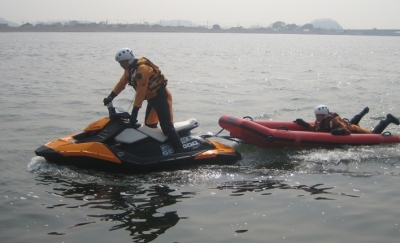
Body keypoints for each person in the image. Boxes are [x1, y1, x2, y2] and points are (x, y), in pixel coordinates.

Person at [103, 48, 183, 153]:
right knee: (149, 126)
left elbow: (141, 90)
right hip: (152, 99)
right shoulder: (130, 71)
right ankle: (157, 148)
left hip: (162, 97)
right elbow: (121, 84)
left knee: (167, 127)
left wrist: (135, 112)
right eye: (119, 63)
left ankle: (180, 151)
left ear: (129, 60)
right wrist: (110, 97)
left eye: (122, 62)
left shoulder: (143, 69)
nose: (120, 65)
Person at [295, 105, 400, 135]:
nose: (316, 117)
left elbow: (347, 129)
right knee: (350, 122)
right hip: (348, 124)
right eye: (316, 115)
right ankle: (362, 112)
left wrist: (340, 131)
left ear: (324, 115)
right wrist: (305, 124)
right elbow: (316, 130)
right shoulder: (319, 121)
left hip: (352, 129)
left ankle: (387, 120)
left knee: (373, 133)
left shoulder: (334, 120)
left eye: (318, 115)